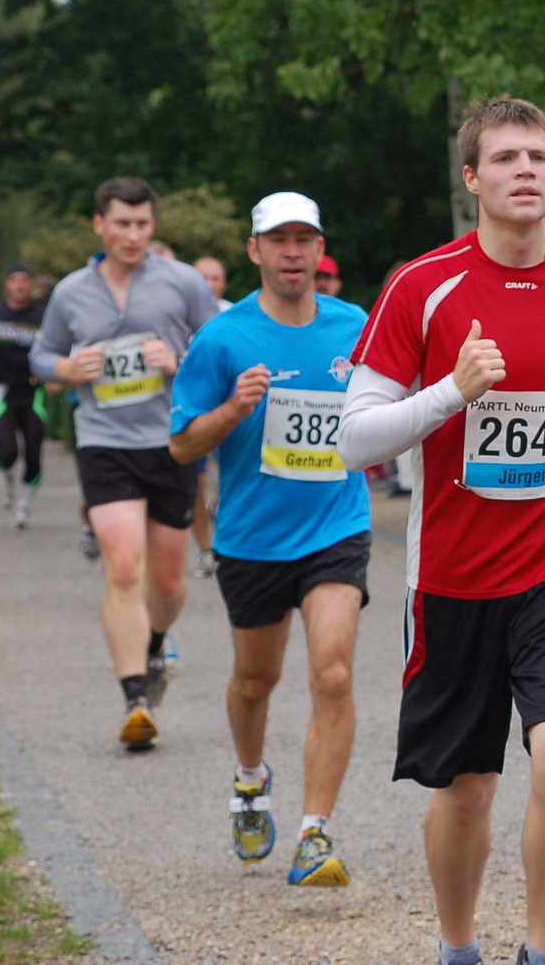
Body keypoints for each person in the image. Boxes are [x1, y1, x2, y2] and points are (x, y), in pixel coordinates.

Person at [337, 96, 545, 965]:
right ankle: (458, 945)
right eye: (506, 158)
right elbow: (355, 436)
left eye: (539, 157)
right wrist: (452, 393)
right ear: (472, 178)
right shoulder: (422, 285)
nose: (526, 171)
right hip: (453, 582)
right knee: (467, 790)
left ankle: (541, 954)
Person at [171, 192, 371, 886]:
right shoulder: (223, 338)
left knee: (335, 670)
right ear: (254, 250)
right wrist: (233, 406)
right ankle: (251, 778)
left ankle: (315, 832)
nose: (292, 252)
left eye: (304, 239)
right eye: (278, 240)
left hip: (336, 526)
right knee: (258, 678)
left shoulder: (356, 326)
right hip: (252, 536)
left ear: (320, 250)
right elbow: (181, 444)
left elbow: (397, 404)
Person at [31, 177, 220, 750]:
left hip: (170, 442)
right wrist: (64, 371)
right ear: (99, 225)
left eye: (142, 224)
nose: (132, 235)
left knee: (166, 578)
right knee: (121, 563)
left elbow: (222, 347)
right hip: (103, 438)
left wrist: (179, 360)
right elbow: (40, 353)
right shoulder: (71, 292)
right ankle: (134, 695)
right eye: (121, 223)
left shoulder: (183, 282)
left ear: (152, 226)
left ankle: (156, 641)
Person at [0, 264, 47, 528]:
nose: (20, 285)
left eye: (25, 280)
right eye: (14, 280)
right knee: (8, 451)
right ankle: (4, 472)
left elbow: (61, 344)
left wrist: (56, 373)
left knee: (34, 454)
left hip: (33, 391)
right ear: (6, 284)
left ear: (32, 284)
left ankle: (24, 505)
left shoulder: (42, 315)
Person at [189, 255, 235, 578]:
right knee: (197, 481)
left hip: (229, 408)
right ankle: (206, 549)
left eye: (216, 278)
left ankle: (224, 536)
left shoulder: (235, 315)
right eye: (203, 277)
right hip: (193, 410)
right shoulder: (177, 314)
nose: (210, 284)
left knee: (231, 476)